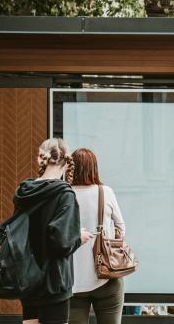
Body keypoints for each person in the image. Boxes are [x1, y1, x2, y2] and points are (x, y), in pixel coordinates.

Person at [19, 138, 95, 324]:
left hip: (28, 277)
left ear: (40, 159)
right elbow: (61, 243)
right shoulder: (64, 194)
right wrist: (79, 237)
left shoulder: (24, 191)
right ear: (67, 161)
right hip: (54, 280)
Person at [68, 149, 127, 324]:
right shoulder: (105, 192)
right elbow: (121, 229)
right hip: (107, 275)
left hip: (73, 280)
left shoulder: (65, 194)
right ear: (94, 168)